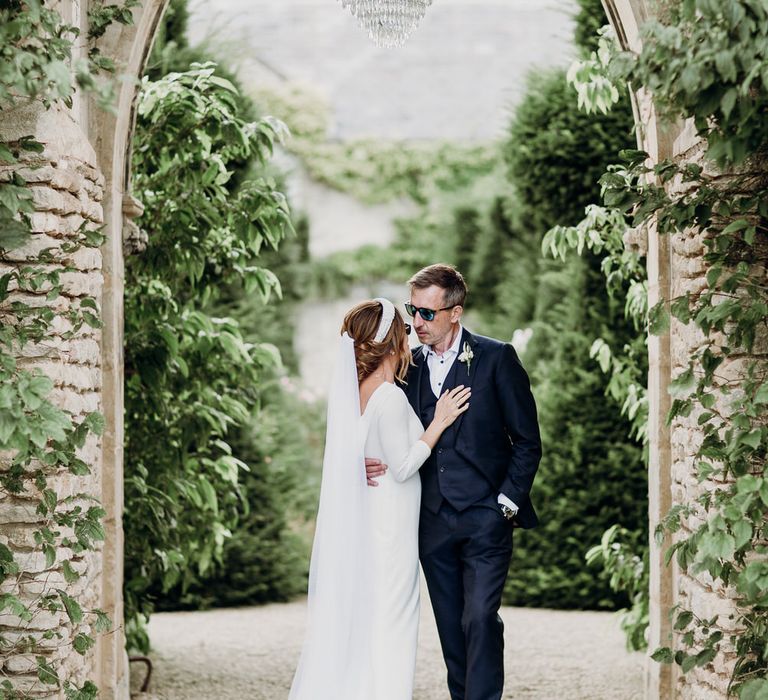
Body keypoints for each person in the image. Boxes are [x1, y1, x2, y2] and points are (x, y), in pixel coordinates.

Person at [366, 264, 542, 700]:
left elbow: (527, 441)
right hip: (430, 518)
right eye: (413, 311)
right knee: (450, 626)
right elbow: (376, 418)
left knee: (479, 618)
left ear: (455, 312)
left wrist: (506, 503)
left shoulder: (496, 357)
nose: (417, 323)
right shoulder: (405, 366)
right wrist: (366, 460)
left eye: (427, 314)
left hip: (486, 515)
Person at [288, 297, 471, 700]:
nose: (410, 337)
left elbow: (356, 452)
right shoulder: (388, 396)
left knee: (375, 618)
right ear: (392, 343)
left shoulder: (356, 392)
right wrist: (438, 423)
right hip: (390, 526)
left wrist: (359, 465)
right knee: (395, 620)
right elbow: (404, 466)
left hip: (374, 516)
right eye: (404, 331)